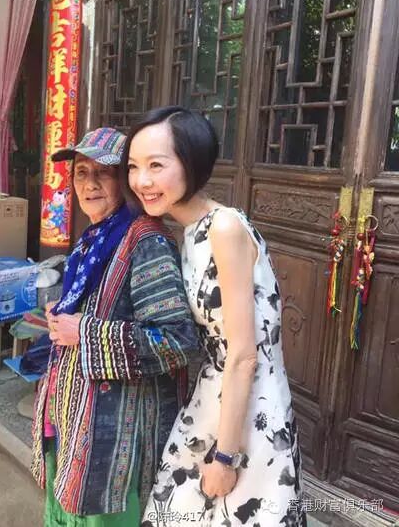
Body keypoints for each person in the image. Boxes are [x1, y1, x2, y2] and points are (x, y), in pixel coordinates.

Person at [121, 107, 307, 526]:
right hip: (213, 399)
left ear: (191, 163)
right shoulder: (189, 232)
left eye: (156, 165)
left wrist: (225, 456)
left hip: (248, 413)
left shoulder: (224, 228)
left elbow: (244, 354)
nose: (142, 180)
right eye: (133, 167)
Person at [31, 127, 199, 527]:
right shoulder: (95, 237)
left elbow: (177, 340)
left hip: (113, 449)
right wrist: (65, 313)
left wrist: (84, 332)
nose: (89, 184)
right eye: (81, 172)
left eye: (102, 173)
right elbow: (99, 307)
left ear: (124, 180)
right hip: (74, 423)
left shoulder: (145, 241)